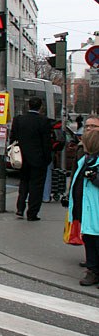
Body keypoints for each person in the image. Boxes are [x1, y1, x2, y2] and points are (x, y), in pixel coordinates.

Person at [9, 96, 53, 221]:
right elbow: (46, 143)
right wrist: (47, 158)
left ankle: (20, 208)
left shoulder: (18, 120)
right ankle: (32, 213)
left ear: (28, 106)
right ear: (40, 107)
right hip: (38, 160)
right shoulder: (44, 121)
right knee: (36, 187)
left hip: (22, 159)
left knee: (24, 184)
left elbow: (13, 139)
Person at [72, 121, 99, 286]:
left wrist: (94, 177)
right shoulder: (85, 161)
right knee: (89, 240)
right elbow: (76, 181)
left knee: (96, 241)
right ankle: (93, 270)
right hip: (86, 208)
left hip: (95, 209)